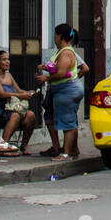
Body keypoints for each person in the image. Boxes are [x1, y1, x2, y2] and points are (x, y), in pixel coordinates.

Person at [37, 24, 89, 161]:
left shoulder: (65, 53)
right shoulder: (64, 51)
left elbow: (61, 72)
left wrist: (46, 78)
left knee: (68, 122)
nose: (54, 38)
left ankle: (65, 153)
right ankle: (71, 150)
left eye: (55, 35)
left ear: (60, 36)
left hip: (66, 90)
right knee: (69, 120)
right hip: (65, 89)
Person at [0, 50, 37, 153]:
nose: (7, 62)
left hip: (14, 107)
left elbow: (18, 90)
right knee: (15, 116)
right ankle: (3, 146)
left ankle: (24, 145)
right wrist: (21, 95)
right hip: (2, 109)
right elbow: (1, 94)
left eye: (8, 59)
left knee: (31, 115)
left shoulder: (9, 75)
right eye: (4, 59)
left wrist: (28, 93)